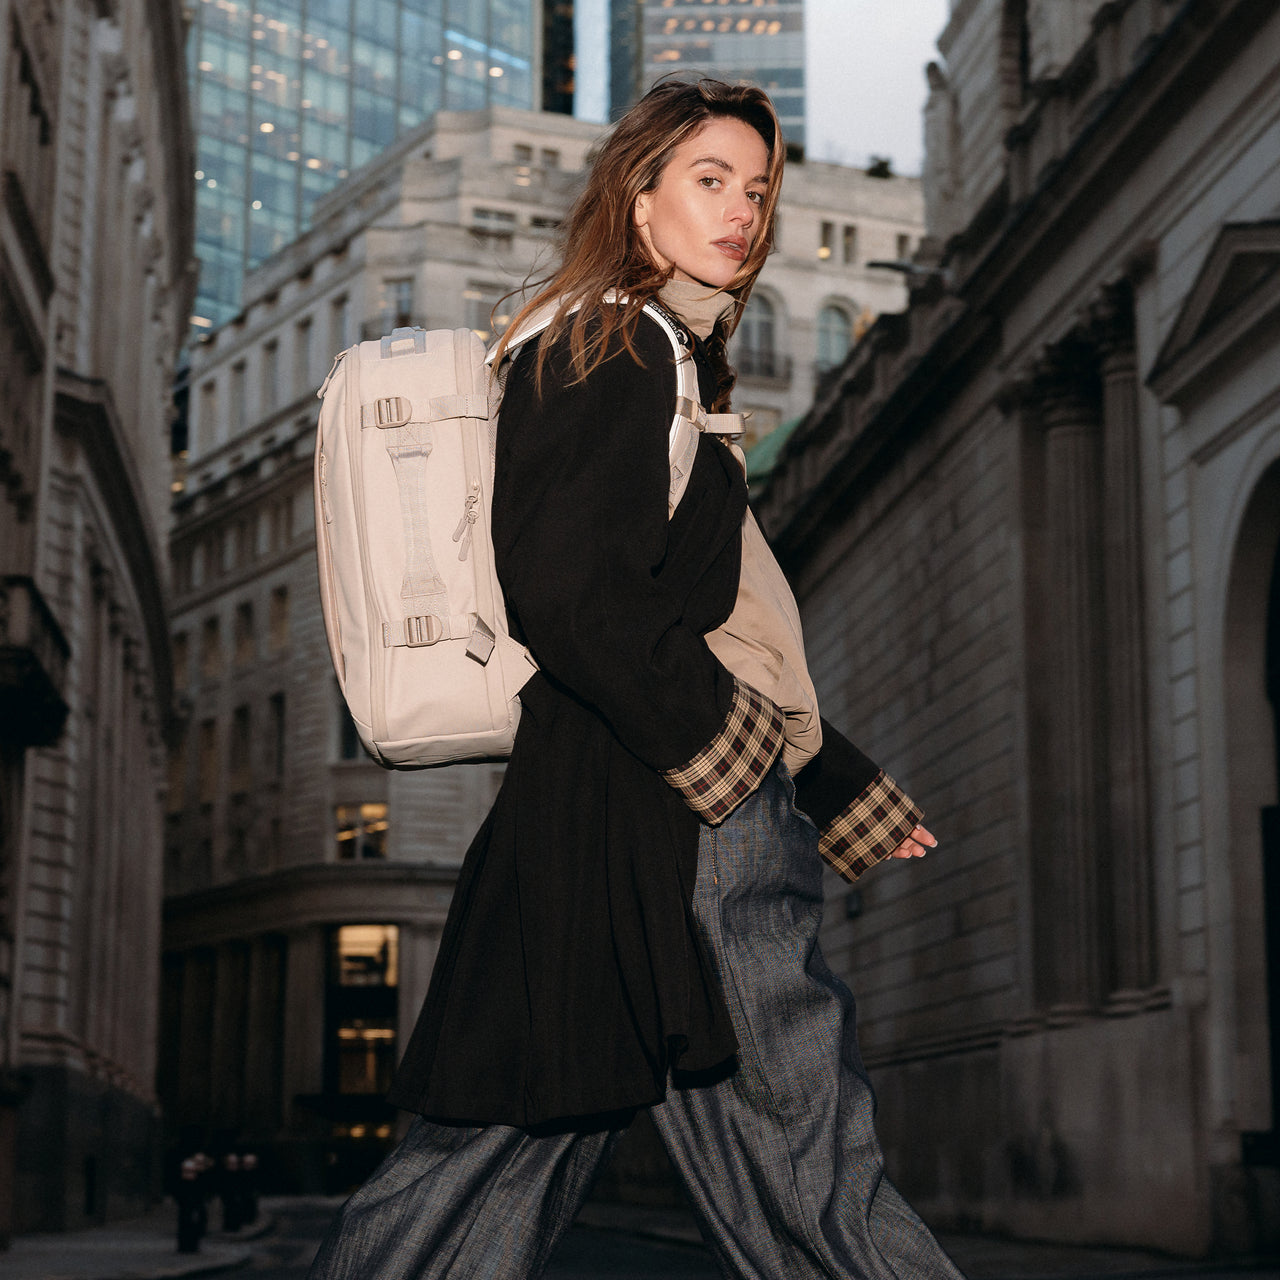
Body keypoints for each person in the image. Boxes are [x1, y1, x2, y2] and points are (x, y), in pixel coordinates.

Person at [309, 77, 964, 1280]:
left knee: (496, 1153)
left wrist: (833, 782)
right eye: (708, 180)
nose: (741, 212)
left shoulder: (656, 356)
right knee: (804, 1159)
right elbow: (570, 589)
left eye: (756, 190)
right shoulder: (613, 344)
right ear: (637, 190)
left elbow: (721, 618)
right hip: (677, 819)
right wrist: (733, 767)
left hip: (609, 810)